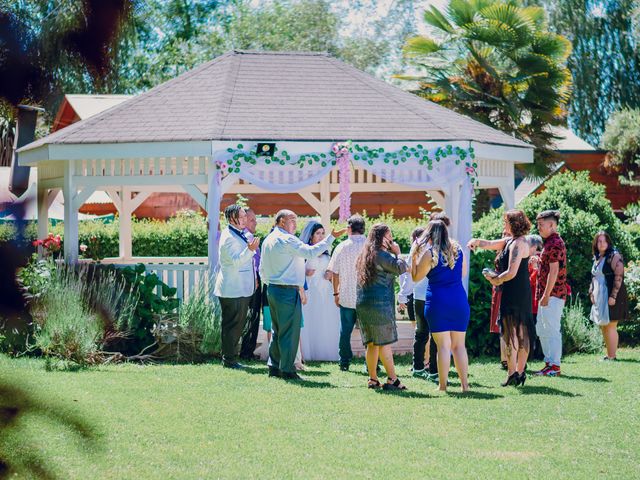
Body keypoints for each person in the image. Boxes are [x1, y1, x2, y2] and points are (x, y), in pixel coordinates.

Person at [259, 209, 344, 380]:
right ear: (282, 221)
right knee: (290, 331)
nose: (296, 224)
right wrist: (331, 237)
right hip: (287, 290)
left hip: (273, 289)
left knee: (277, 330)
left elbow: (262, 269)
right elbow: (310, 252)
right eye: (292, 220)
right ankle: (288, 369)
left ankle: (274, 366)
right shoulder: (287, 239)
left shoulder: (268, 239)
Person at [470, 210, 533, 387]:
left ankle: (519, 372)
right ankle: (513, 373)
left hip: (517, 293)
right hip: (510, 291)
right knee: (510, 334)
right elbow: (490, 243)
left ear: (514, 223)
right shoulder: (510, 241)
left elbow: (511, 273)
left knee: (519, 334)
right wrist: (476, 242)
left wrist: (494, 279)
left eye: (505, 221)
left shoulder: (519, 244)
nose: (503, 224)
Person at [413, 220, 470, 393]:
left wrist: (414, 258)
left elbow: (416, 277)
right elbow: (463, 273)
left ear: (429, 234)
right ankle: (464, 386)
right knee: (459, 346)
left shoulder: (430, 254)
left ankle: (443, 386)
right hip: (459, 301)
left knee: (443, 346)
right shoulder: (458, 250)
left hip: (437, 302)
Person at [356, 223, 408, 390]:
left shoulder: (365, 254)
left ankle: (372, 379)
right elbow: (400, 268)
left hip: (364, 303)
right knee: (384, 342)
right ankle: (393, 379)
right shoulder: (382, 255)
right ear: (382, 238)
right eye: (389, 235)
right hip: (379, 304)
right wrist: (398, 253)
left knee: (372, 343)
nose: (391, 238)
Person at [214, 204, 260, 369]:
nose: (244, 219)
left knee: (236, 325)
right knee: (232, 326)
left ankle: (231, 358)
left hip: (240, 288)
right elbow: (234, 262)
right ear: (231, 219)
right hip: (232, 289)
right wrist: (250, 250)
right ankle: (229, 360)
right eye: (241, 217)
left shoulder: (238, 233)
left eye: (244, 216)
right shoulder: (228, 237)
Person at [327, 214, 367, 371]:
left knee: (345, 331)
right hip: (366, 296)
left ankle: (344, 361)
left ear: (349, 228)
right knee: (369, 333)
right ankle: (371, 363)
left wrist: (336, 293)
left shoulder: (341, 247)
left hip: (346, 295)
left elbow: (334, 273)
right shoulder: (370, 246)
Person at [299, 221, 341, 361]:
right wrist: (305, 272)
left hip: (325, 291)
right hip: (309, 291)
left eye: (323, 233)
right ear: (310, 236)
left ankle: (325, 352)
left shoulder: (326, 253)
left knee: (325, 320)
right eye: (318, 233)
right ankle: (308, 352)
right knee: (310, 320)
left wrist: (330, 275)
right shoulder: (304, 251)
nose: (321, 236)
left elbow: (334, 271)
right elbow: (294, 270)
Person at [534, 210, 568, 377]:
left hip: (553, 294)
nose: (538, 227)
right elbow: (548, 267)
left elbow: (553, 272)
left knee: (552, 329)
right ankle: (549, 364)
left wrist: (546, 295)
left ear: (552, 225)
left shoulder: (554, 243)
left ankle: (555, 366)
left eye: (541, 224)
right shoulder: (548, 242)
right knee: (541, 328)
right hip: (547, 294)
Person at [589, 231, 629, 360]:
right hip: (600, 295)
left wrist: (613, 296)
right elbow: (594, 277)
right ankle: (609, 354)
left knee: (611, 325)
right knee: (604, 325)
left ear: (608, 242)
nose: (601, 244)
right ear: (595, 243)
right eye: (599, 241)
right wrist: (591, 292)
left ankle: (612, 356)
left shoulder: (614, 256)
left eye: (604, 241)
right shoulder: (597, 257)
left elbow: (619, 276)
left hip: (613, 294)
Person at [239, 208, 262, 361]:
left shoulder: (243, 235)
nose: (255, 222)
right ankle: (247, 352)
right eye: (252, 219)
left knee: (250, 316)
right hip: (253, 279)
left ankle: (247, 351)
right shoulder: (248, 236)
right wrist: (256, 279)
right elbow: (251, 259)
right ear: (245, 220)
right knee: (252, 316)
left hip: (251, 279)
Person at [526, 234, 544, 360]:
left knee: (533, 329)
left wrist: (534, 268)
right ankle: (534, 353)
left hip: (534, 302)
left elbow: (533, 281)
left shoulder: (536, 260)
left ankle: (534, 354)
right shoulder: (530, 260)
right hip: (534, 302)